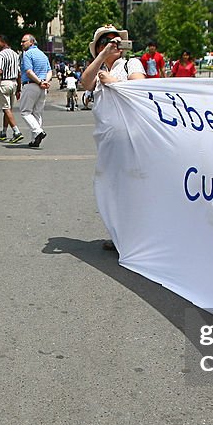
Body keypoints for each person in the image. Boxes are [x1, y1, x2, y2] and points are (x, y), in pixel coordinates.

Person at [80, 24, 146, 254]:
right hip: (107, 138)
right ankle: (119, 235)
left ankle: (133, 238)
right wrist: (101, 57)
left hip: (130, 136)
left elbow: (141, 89)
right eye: (106, 41)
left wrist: (114, 82)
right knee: (113, 187)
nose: (113, 44)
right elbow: (84, 83)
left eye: (116, 40)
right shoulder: (98, 69)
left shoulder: (130, 64)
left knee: (130, 186)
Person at [18, 33, 52, 148]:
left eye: (24, 41)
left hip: (31, 84)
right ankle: (34, 140)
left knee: (25, 111)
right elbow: (49, 71)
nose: (22, 44)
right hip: (42, 87)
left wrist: (39, 82)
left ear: (31, 42)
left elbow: (28, 71)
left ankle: (38, 131)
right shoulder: (43, 55)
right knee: (37, 113)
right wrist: (45, 82)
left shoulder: (27, 54)